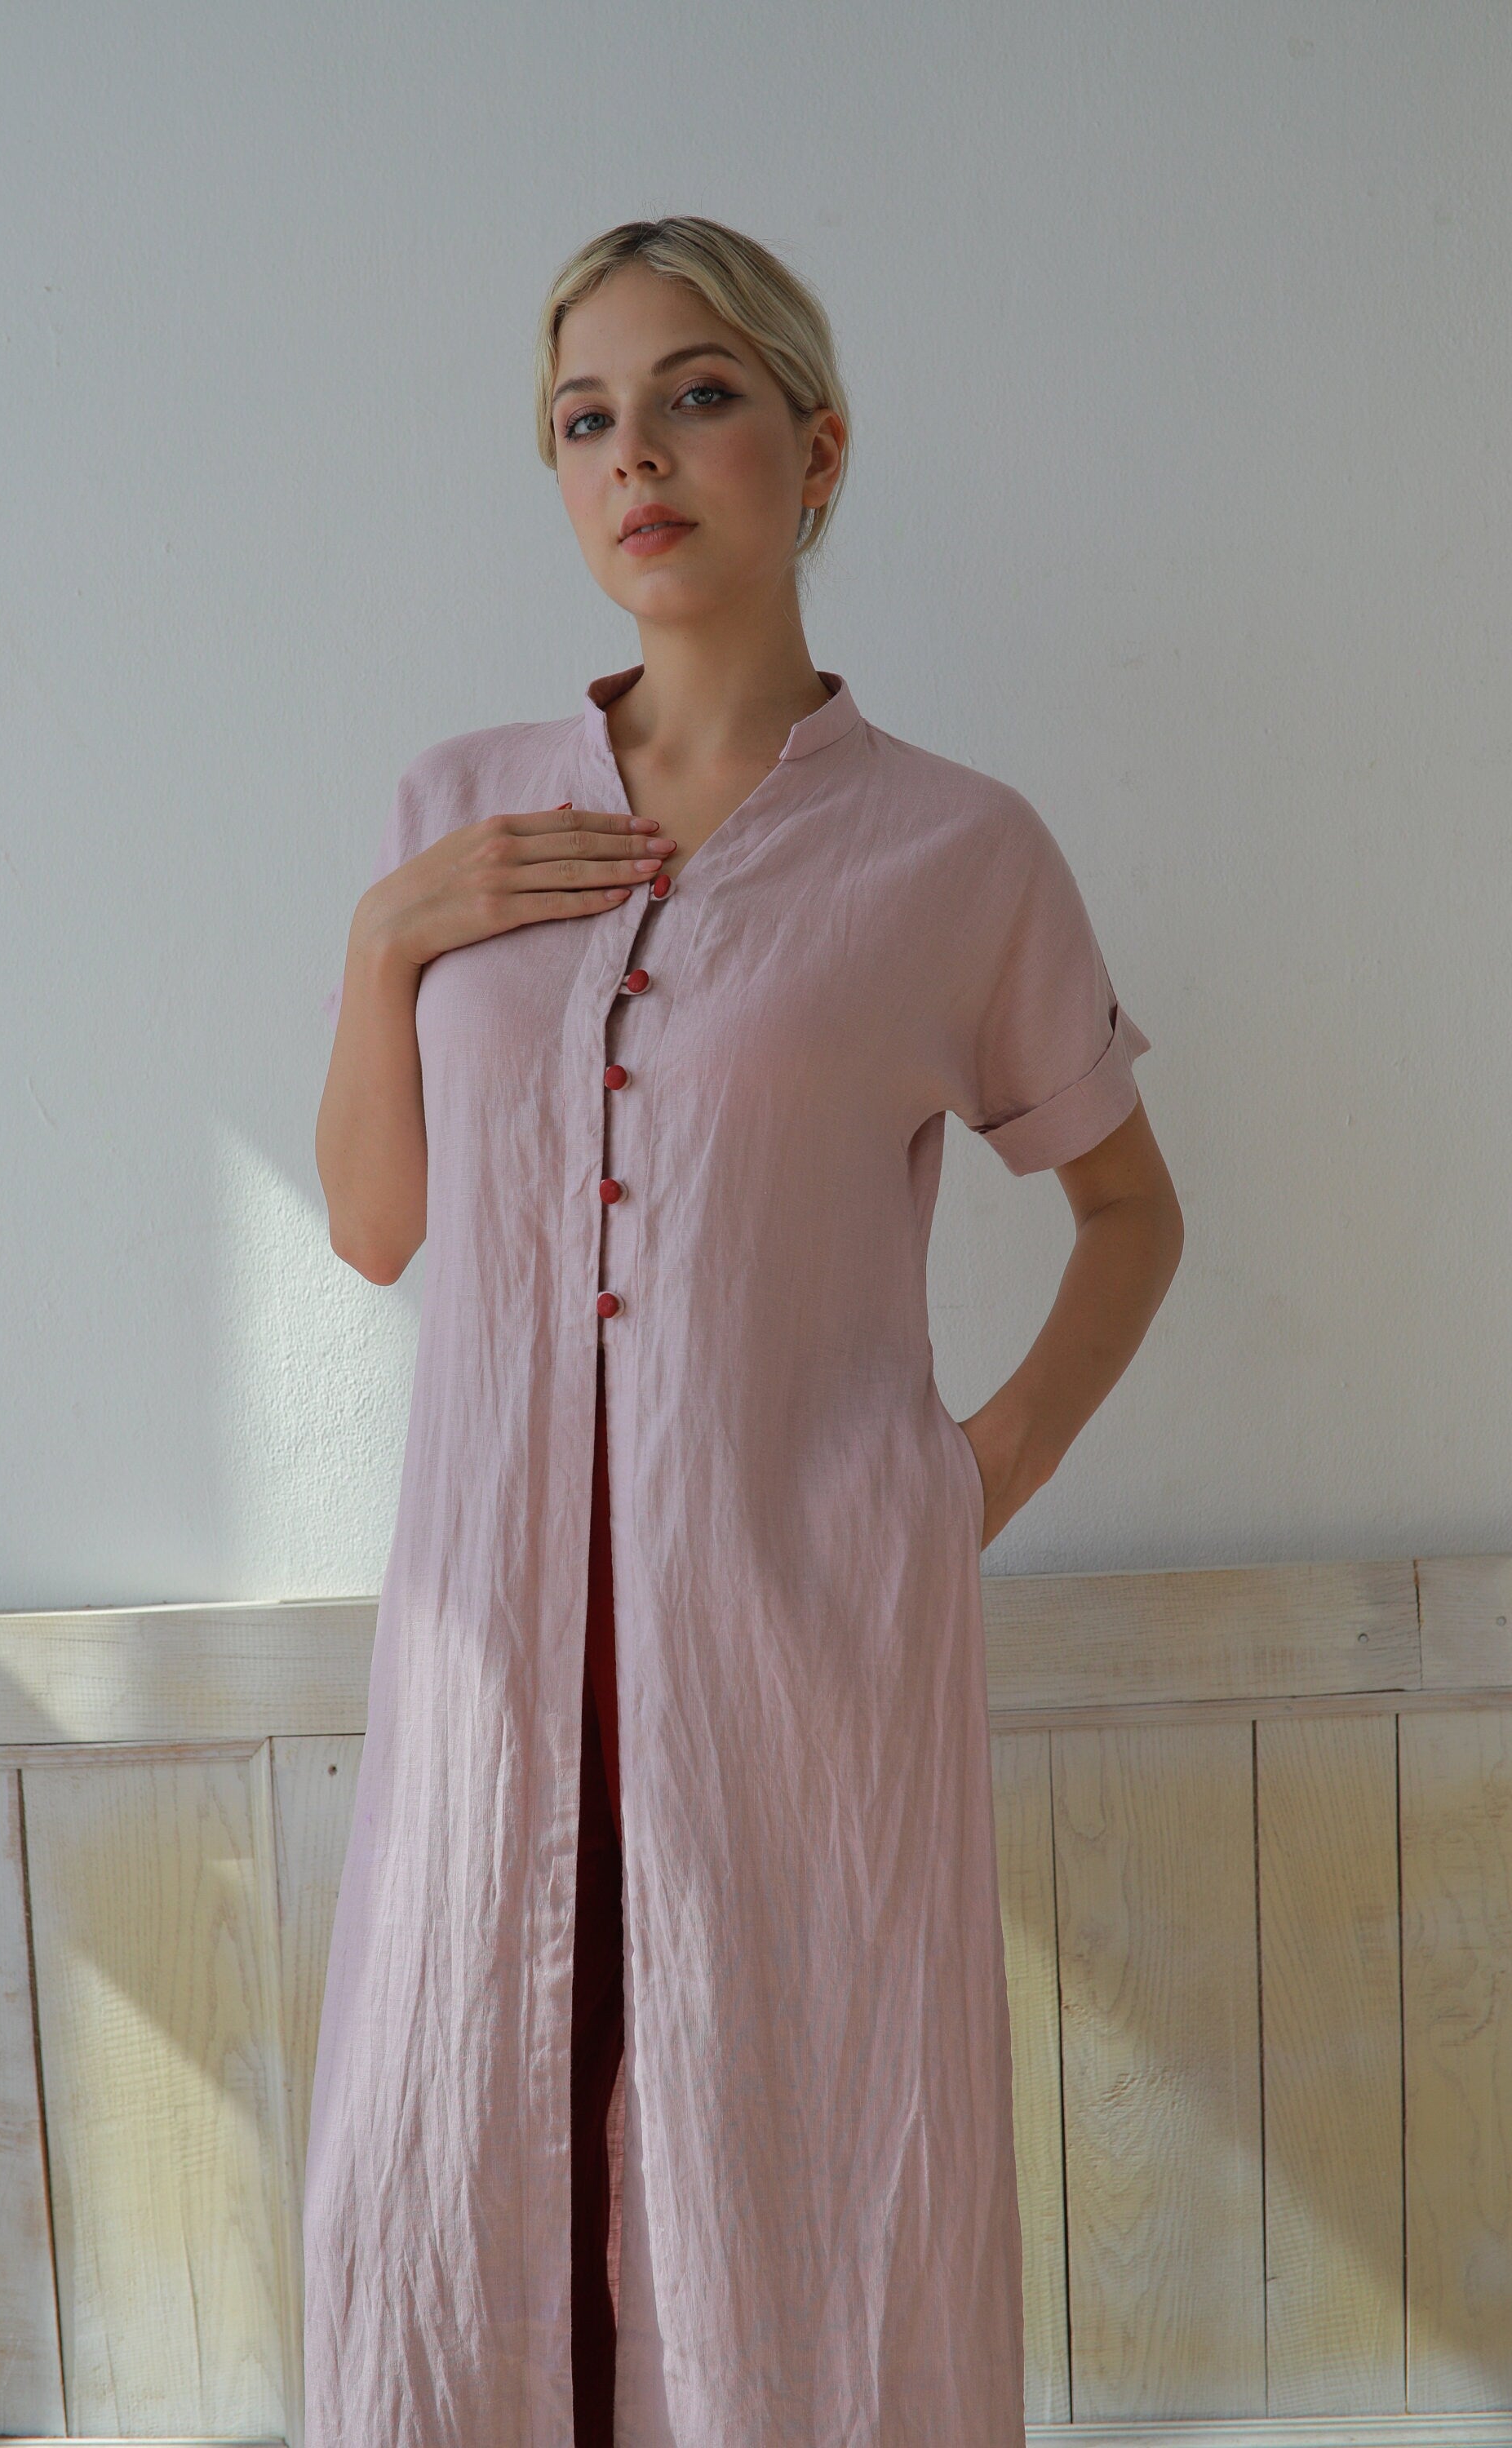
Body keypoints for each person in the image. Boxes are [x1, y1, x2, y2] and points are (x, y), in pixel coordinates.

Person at [305, 214, 1183, 2448]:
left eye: (696, 393)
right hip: (495, 1647)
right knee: (465, 2159)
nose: (639, 456)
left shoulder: (956, 854)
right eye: (585, 419)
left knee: (791, 2181)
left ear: (818, 445)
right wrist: (384, 942)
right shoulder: (457, 813)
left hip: (794, 1646)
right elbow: (376, 1230)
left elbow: (1125, 1212)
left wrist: (969, 1478)